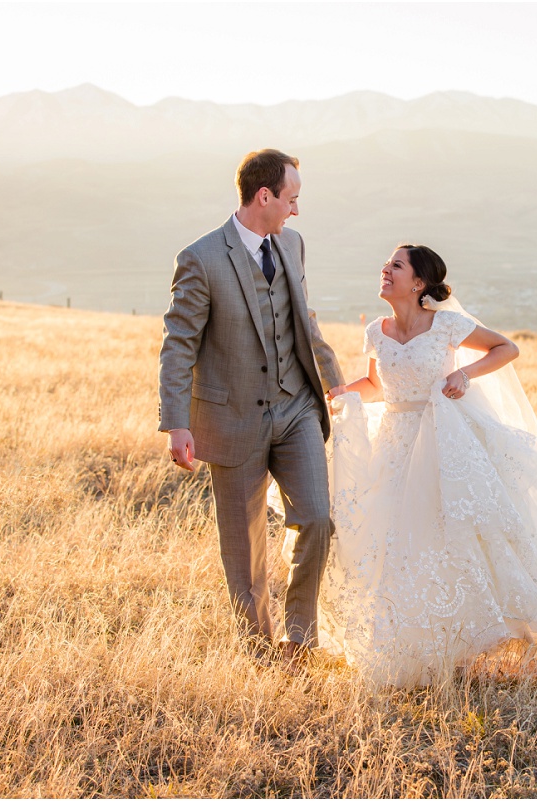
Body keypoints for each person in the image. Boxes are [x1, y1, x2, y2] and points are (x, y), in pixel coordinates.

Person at [319, 244, 537, 686]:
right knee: (400, 544)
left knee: (479, 535)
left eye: (396, 265)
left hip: (444, 440)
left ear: (418, 283)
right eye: (387, 263)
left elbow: (506, 347)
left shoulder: (447, 325)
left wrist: (463, 375)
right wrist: (342, 392)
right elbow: (376, 385)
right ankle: (421, 649)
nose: (385, 269)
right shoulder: (377, 332)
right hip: (395, 447)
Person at [158, 149, 343, 665]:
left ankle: (301, 638)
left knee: (318, 518)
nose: (296, 211)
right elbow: (179, 344)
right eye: (292, 199)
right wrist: (176, 422)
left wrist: (335, 383)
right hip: (233, 415)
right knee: (244, 548)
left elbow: (303, 320)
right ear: (265, 197)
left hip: (297, 408)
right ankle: (259, 651)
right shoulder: (200, 258)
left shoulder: (293, 244)